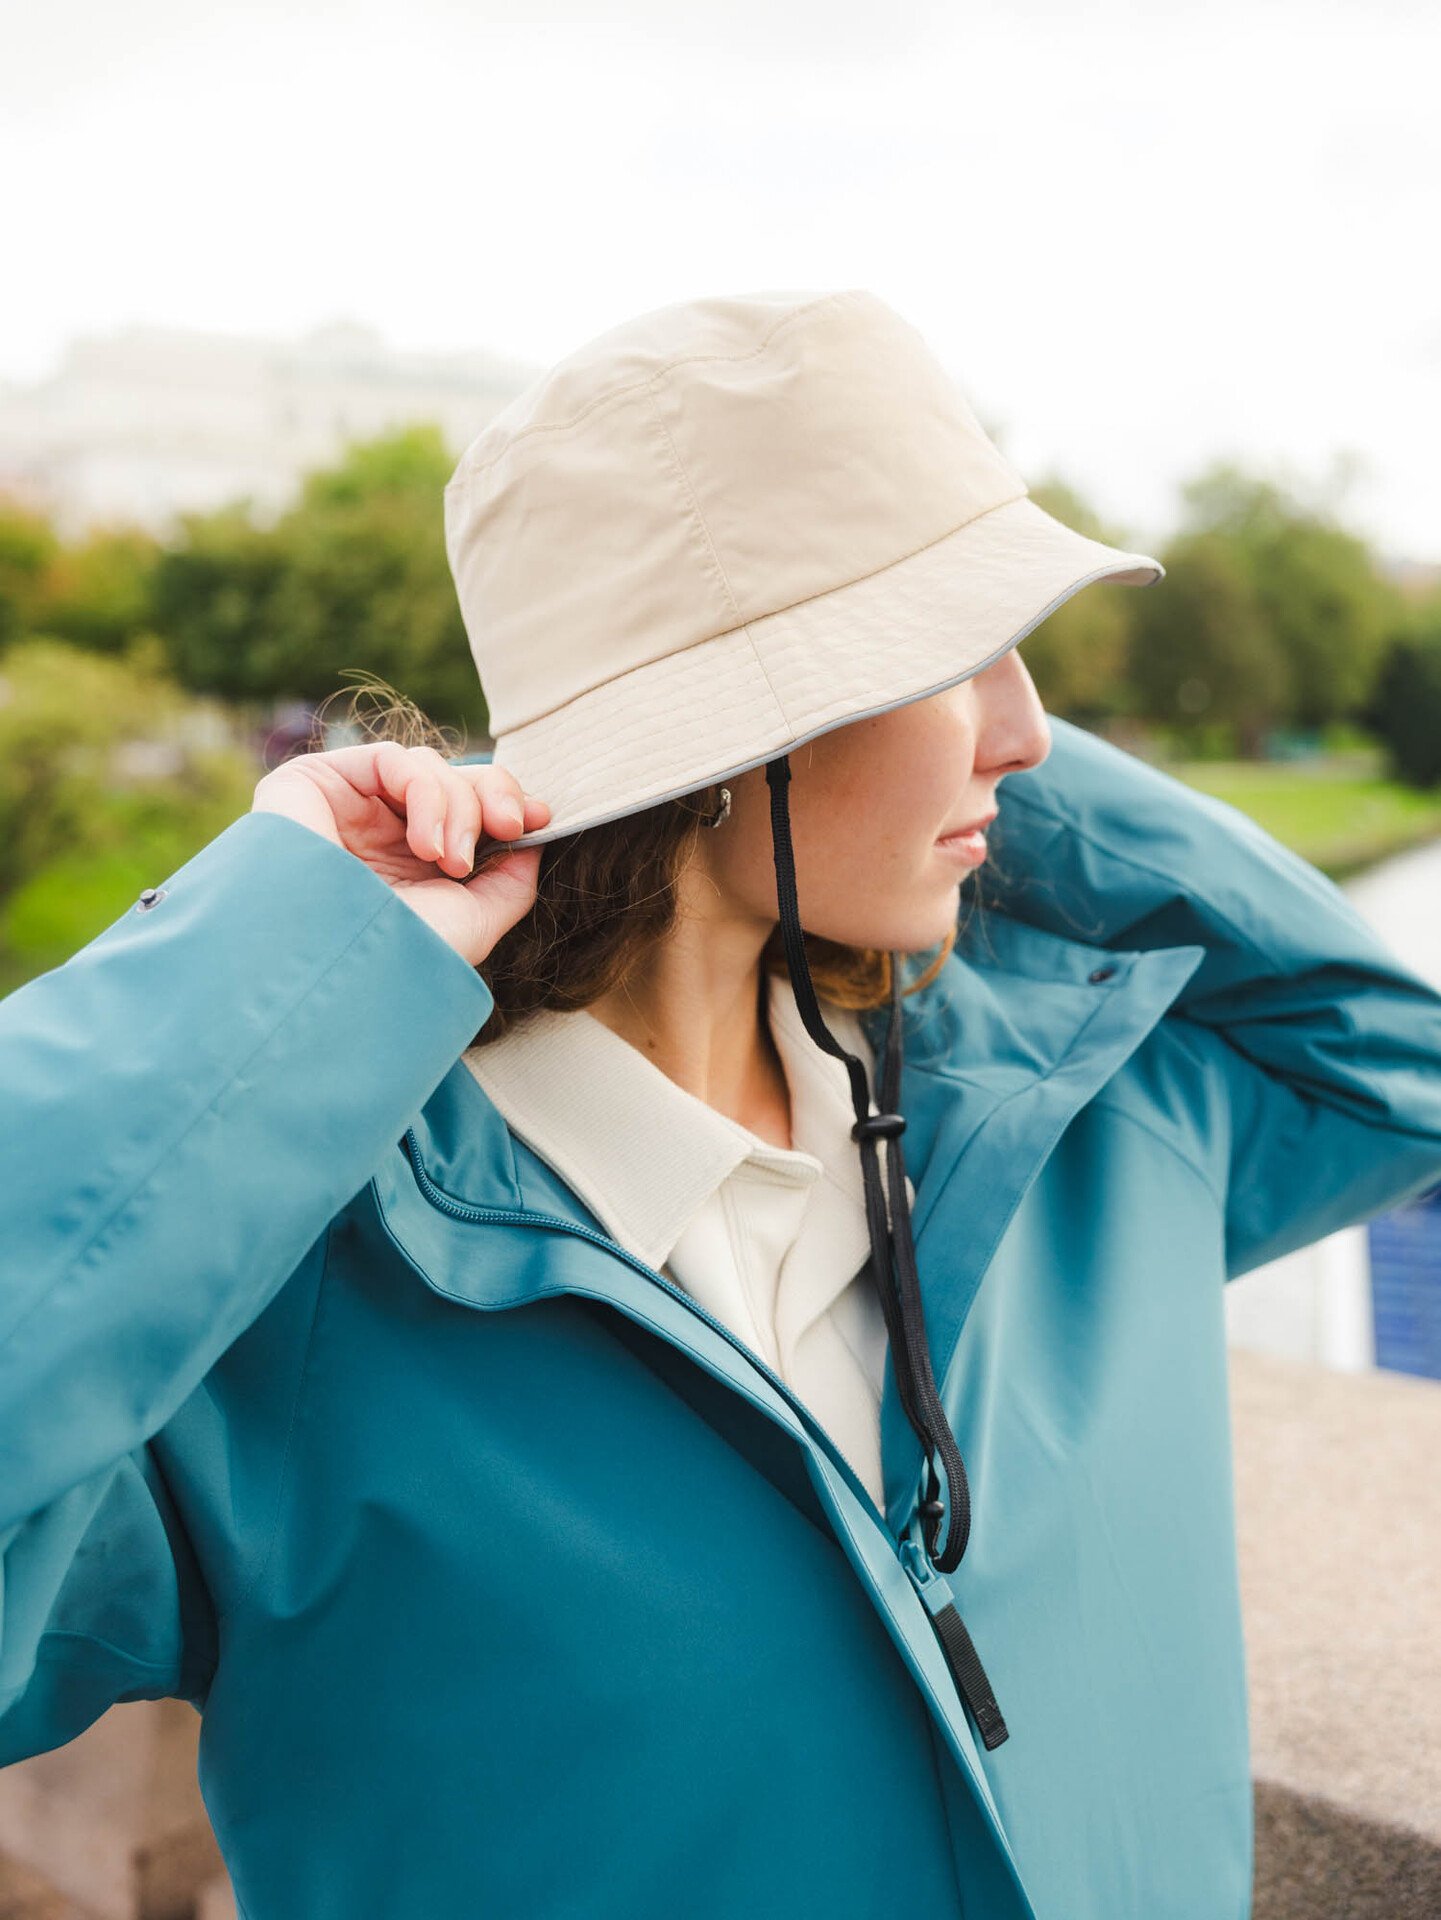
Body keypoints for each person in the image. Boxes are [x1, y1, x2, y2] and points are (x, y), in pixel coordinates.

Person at [2, 289, 1439, 1920]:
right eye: (955, 652)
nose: (1033, 735)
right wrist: (262, 962)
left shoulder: (1082, 1111)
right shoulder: (297, 1285)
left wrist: (898, 765)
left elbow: (1390, 1060)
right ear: (738, 730)